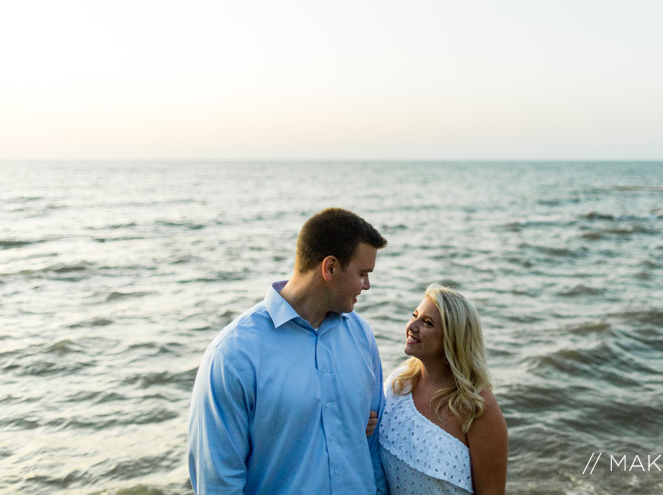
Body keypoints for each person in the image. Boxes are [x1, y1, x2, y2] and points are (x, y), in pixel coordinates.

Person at [188, 208, 390, 494]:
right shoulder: (233, 355)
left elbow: (372, 449)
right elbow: (218, 479)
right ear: (330, 267)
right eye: (362, 274)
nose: (367, 286)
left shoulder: (361, 336)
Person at [379, 284, 508, 494]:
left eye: (427, 323)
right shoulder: (398, 384)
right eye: (415, 315)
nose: (412, 326)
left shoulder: (477, 407)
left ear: (452, 339)